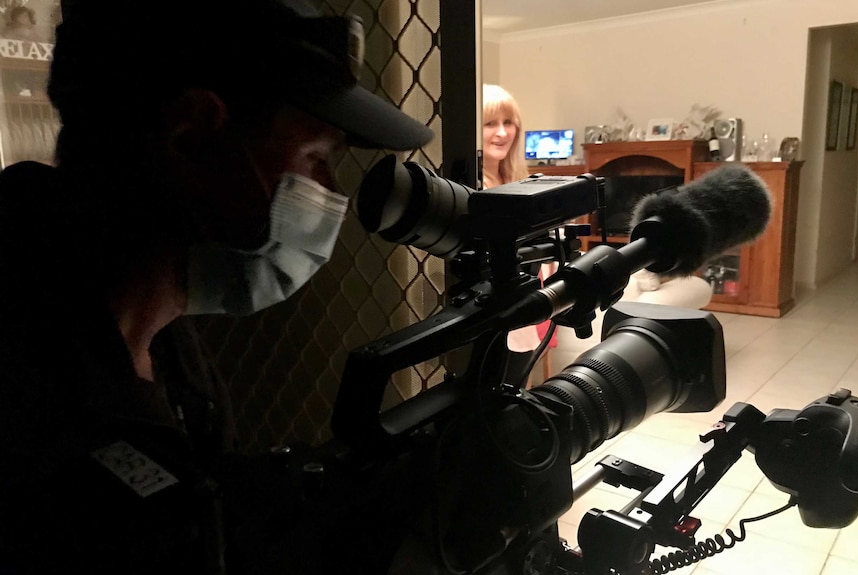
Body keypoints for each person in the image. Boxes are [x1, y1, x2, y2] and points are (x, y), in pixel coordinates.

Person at [0, 1, 433, 573]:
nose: (332, 191)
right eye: (315, 156)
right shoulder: (22, 383)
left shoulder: (166, 348)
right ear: (191, 136)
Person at [482, 84, 555, 387]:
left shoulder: (519, 181)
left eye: (508, 122)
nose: (502, 133)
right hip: (491, 315)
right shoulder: (470, 186)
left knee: (514, 391)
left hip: (523, 308)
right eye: (490, 123)